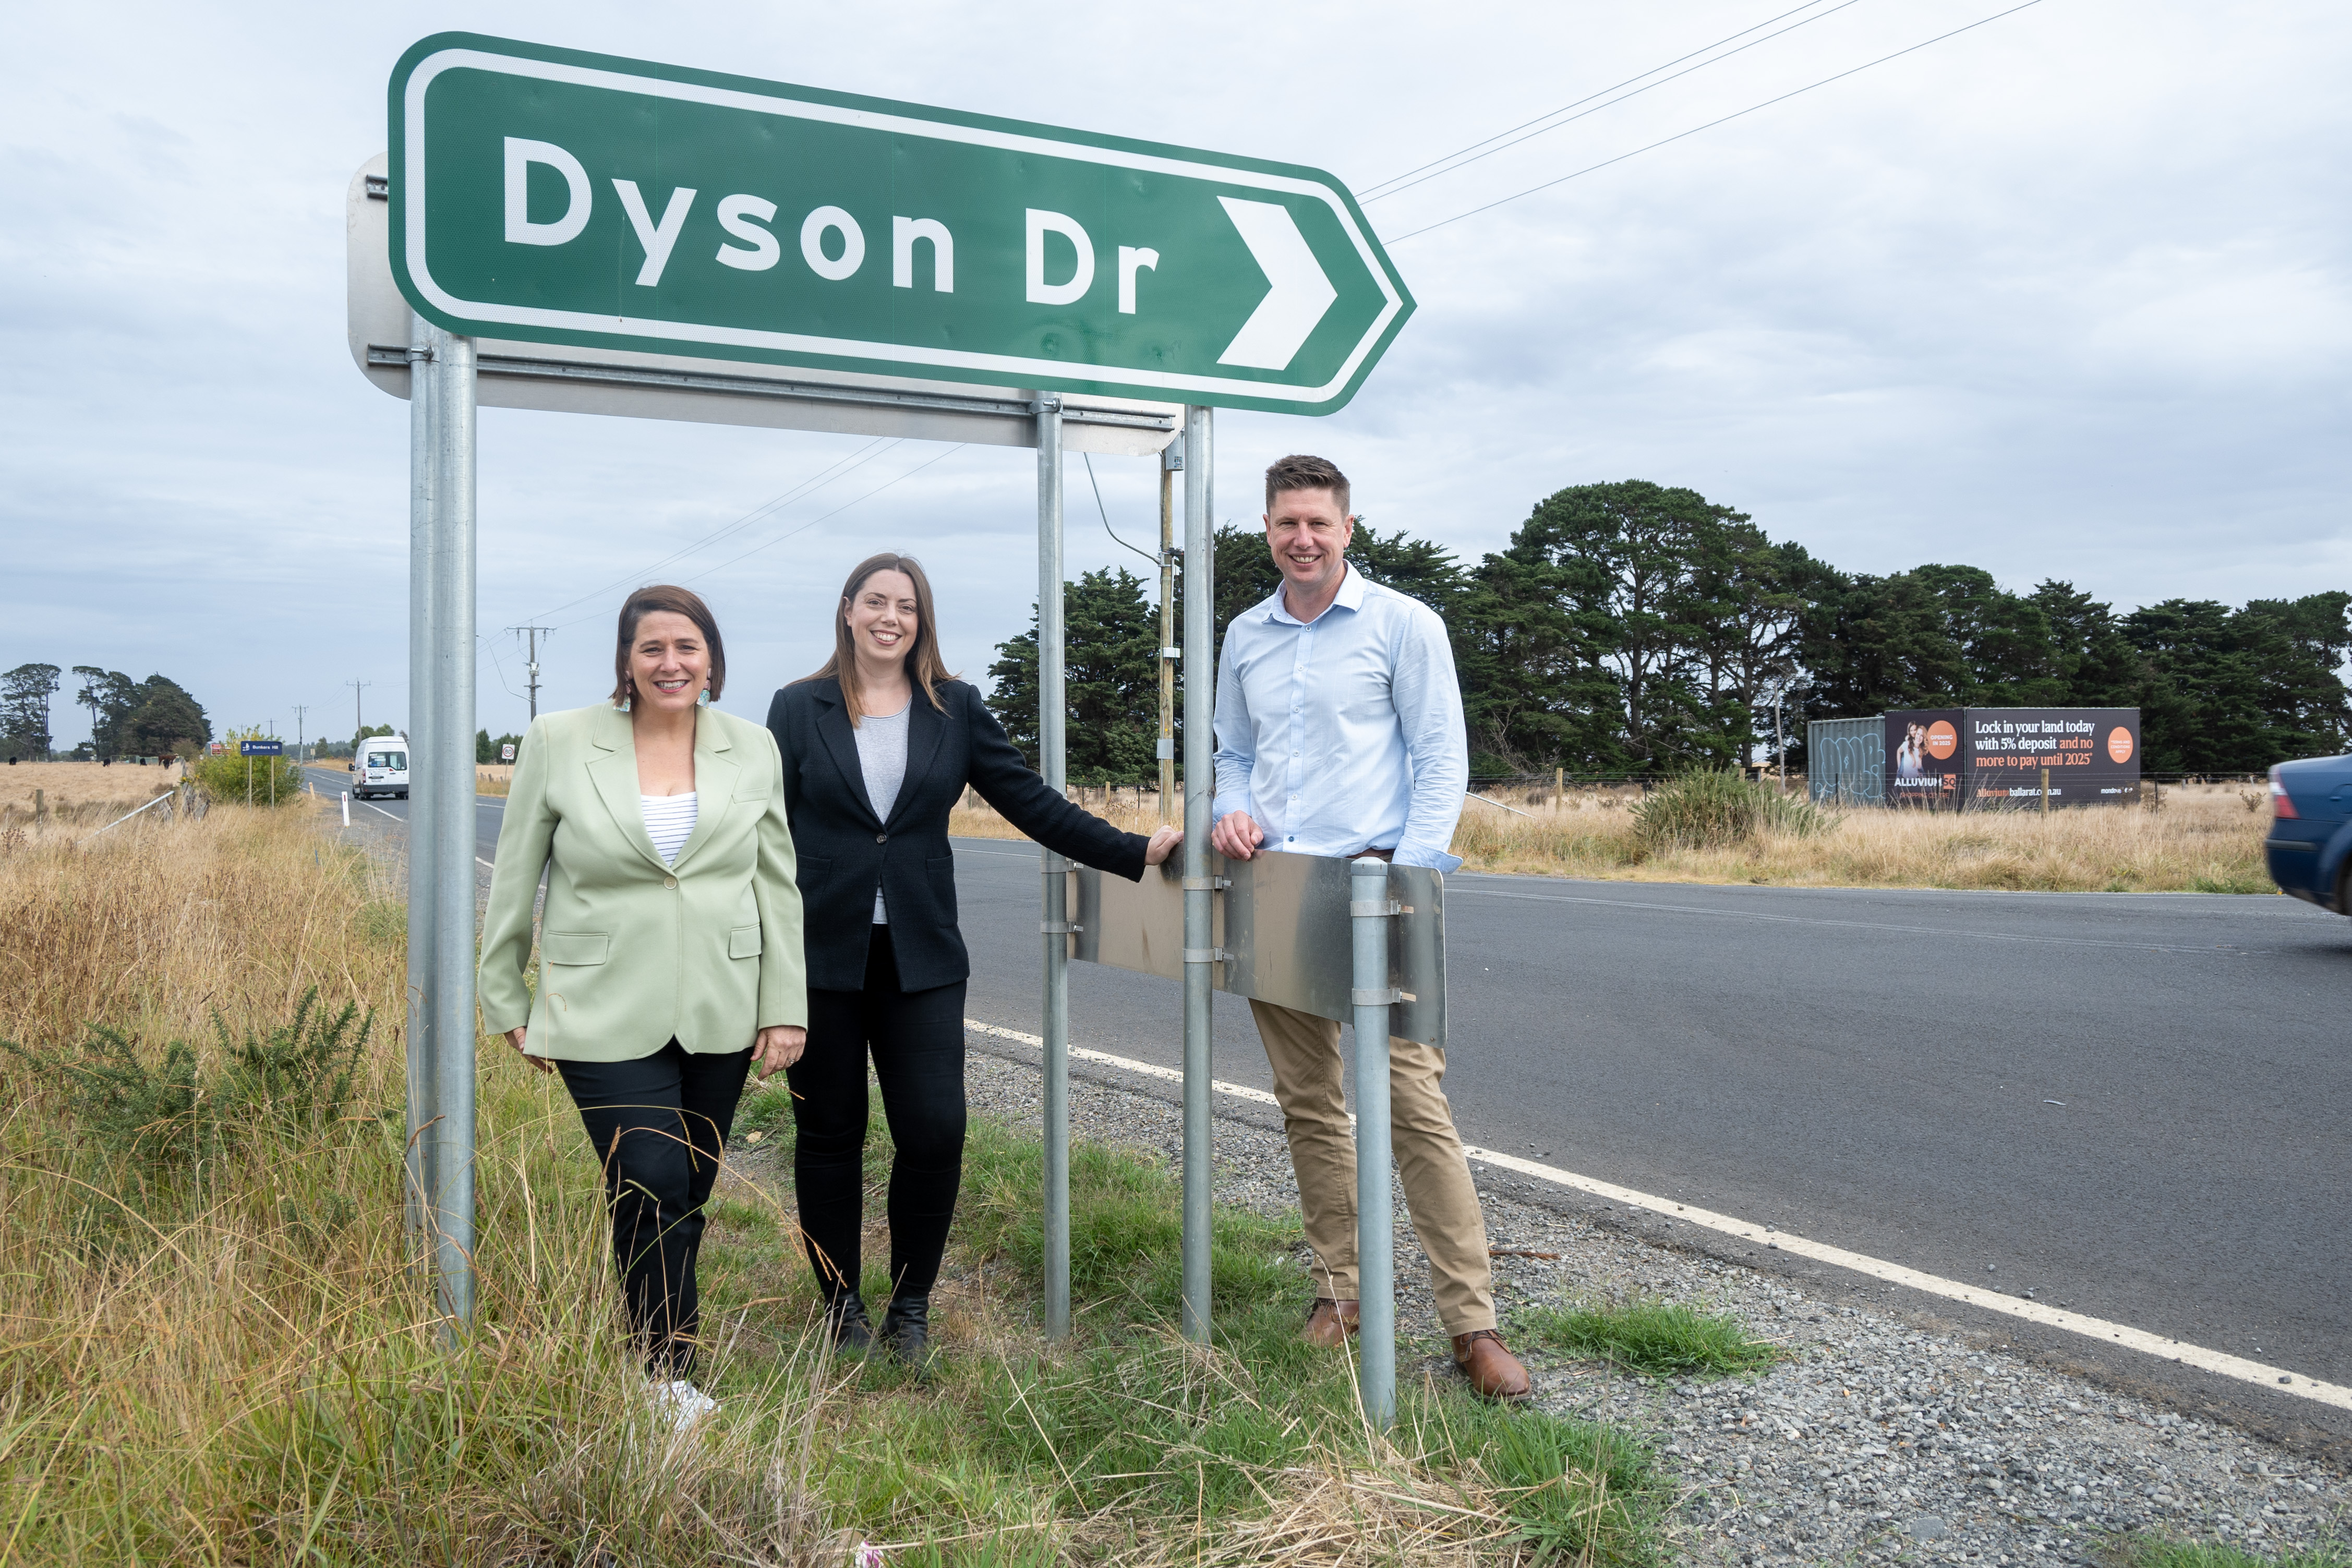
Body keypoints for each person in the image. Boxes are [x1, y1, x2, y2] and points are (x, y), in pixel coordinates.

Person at [765, 552, 1180, 1366]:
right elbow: (762, 829)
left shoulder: (953, 707)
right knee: (828, 1130)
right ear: (847, 610)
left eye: (907, 606)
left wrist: (1134, 850)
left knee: (935, 1130)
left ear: (922, 622)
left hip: (921, 956)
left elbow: (1026, 797)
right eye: (876, 601)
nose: (891, 617)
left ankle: (910, 1304)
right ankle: (840, 1303)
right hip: (819, 959)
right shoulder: (795, 708)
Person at [1209, 454, 1532, 1402]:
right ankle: (1340, 1294)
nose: (1300, 540)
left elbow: (1441, 759)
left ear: (1348, 528)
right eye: (1283, 525)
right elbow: (1233, 751)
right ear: (1265, 531)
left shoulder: (1402, 624)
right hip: (1279, 890)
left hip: (1381, 886)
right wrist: (1232, 808)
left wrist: (1410, 878)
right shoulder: (1244, 634)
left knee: (1413, 1109)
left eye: (1317, 523)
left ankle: (1471, 1324)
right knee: (1307, 1102)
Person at [478, 584, 806, 1432]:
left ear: (712, 660)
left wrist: (785, 1005)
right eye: (652, 647)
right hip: (597, 1002)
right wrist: (506, 992)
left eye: (687, 648)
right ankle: (667, 1373)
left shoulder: (753, 747)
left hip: (721, 1005)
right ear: (626, 660)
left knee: (686, 1186)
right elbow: (517, 873)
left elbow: (777, 883)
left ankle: (651, 1345)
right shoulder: (559, 741)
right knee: (650, 1175)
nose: (671, 663)